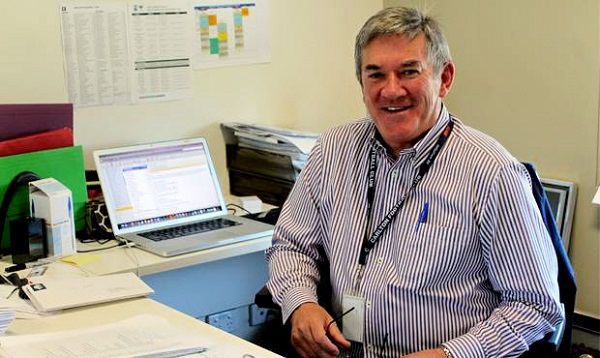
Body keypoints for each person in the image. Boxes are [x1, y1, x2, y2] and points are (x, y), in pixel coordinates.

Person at [265, 6, 563, 358]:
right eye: (375, 75)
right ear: (362, 84)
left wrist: (451, 355)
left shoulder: (492, 173)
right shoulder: (333, 150)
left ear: (445, 78)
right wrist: (301, 303)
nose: (391, 91)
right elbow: (290, 245)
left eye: (409, 72)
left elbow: (535, 306)